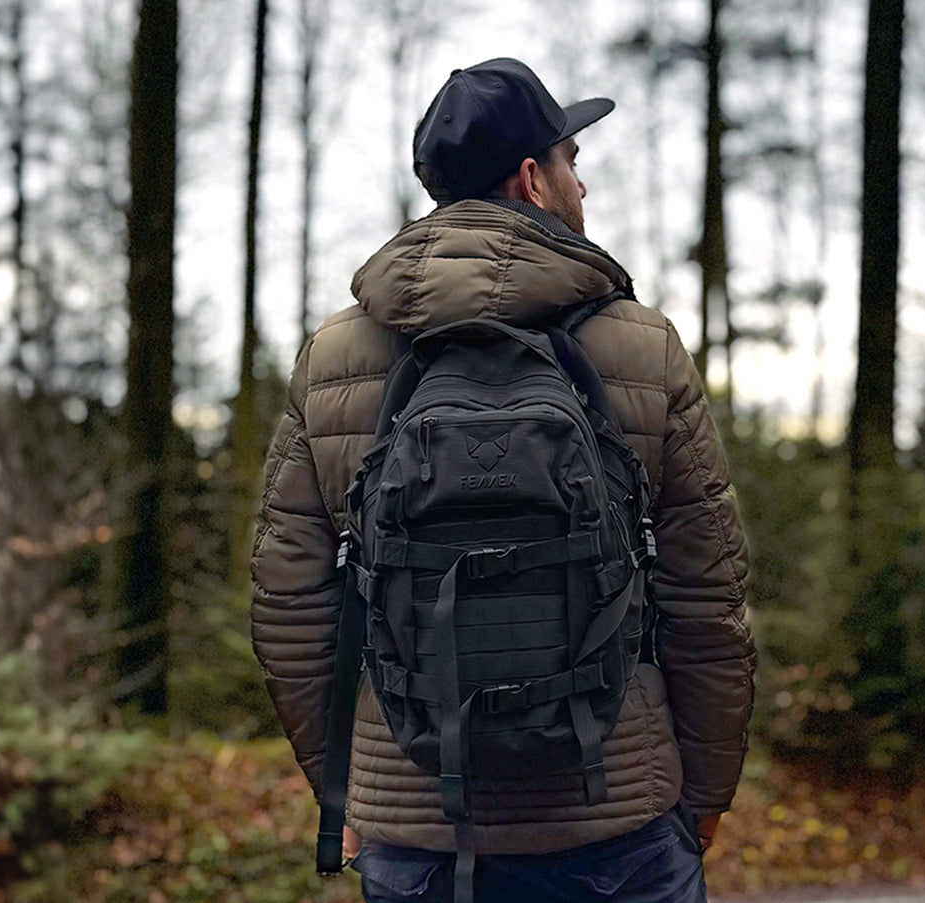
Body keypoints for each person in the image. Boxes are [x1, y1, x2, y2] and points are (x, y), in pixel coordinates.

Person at [251, 58, 755, 903]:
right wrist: (700, 799)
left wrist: (346, 788)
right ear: (532, 179)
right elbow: (708, 601)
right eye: (570, 161)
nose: (581, 184)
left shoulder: (336, 357)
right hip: (617, 827)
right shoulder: (640, 345)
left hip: (419, 841)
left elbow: (288, 606)